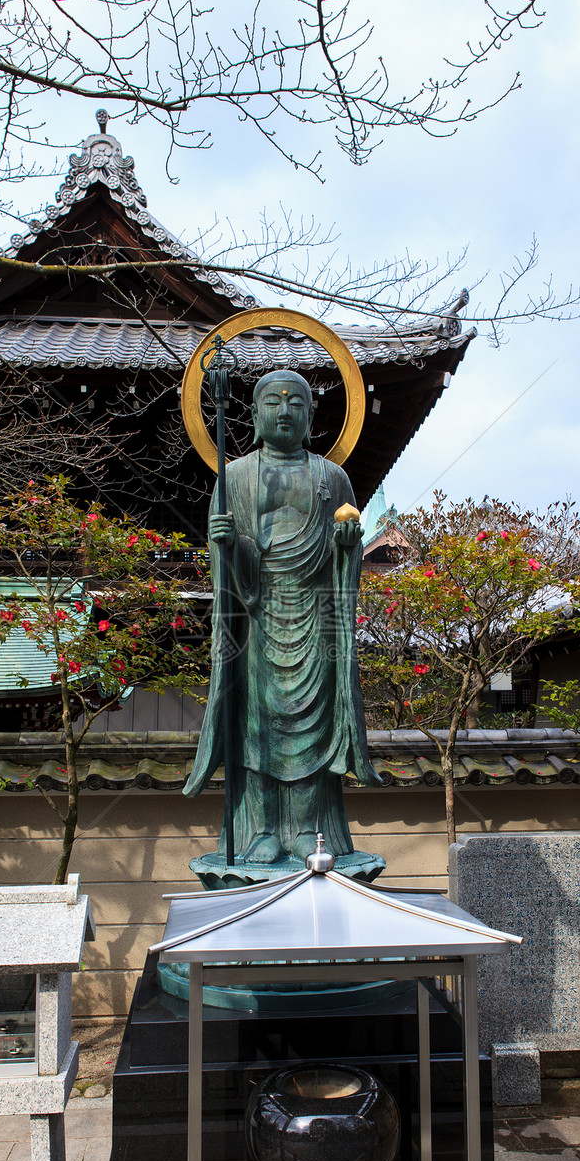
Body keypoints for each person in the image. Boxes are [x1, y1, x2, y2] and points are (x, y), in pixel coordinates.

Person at [183, 369, 381, 863]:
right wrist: (229, 546)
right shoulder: (235, 477)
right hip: (256, 616)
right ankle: (261, 830)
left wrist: (344, 547)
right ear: (253, 413)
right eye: (273, 401)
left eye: (297, 402)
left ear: (312, 415)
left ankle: (310, 830)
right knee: (258, 728)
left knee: (314, 727)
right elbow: (223, 563)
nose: (286, 410)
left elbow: (348, 549)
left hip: (315, 613)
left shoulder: (332, 477)